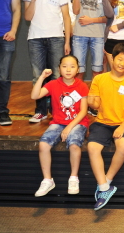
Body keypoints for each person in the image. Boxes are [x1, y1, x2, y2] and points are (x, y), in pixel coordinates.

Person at [86, 42, 124, 210]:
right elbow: (94, 104)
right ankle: (103, 187)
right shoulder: (99, 79)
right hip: (102, 122)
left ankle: (107, 182)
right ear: (112, 59)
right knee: (93, 148)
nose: (122, 63)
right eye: (119, 59)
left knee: (123, 146)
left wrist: (122, 127)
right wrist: (90, 101)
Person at [31, 55, 88, 197]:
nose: (68, 69)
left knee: (74, 144)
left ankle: (74, 178)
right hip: (57, 123)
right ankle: (47, 180)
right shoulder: (53, 84)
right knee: (43, 145)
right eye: (64, 66)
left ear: (78, 69)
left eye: (72, 66)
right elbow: (35, 95)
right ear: (59, 68)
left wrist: (69, 127)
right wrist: (42, 77)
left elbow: (83, 111)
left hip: (77, 123)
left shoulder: (81, 86)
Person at [23, 0, 72, 123]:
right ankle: (41, 110)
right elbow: (28, 17)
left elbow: (66, 17)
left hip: (56, 38)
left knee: (58, 75)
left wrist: (67, 41)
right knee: (38, 75)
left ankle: (59, 110)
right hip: (35, 38)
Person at [72, 0, 112, 81]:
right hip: (79, 34)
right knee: (78, 70)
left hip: (98, 35)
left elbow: (109, 17)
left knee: (98, 70)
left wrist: (91, 20)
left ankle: (96, 97)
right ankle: (78, 97)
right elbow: (75, 11)